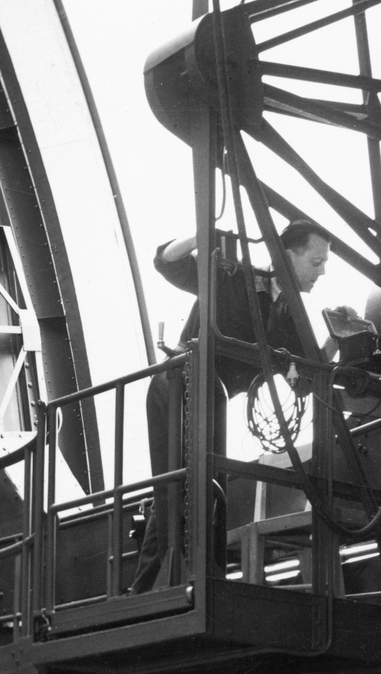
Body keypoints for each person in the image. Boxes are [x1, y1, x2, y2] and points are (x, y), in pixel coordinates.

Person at [128, 220, 332, 593]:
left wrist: (338, 339)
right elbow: (167, 262)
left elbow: (306, 379)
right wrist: (200, 234)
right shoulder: (232, 278)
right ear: (287, 256)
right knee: (181, 487)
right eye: (316, 262)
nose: (321, 273)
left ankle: (171, 587)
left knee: (199, 486)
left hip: (213, 399)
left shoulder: (291, 315)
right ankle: (171, 588)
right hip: (178, 386)